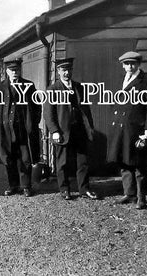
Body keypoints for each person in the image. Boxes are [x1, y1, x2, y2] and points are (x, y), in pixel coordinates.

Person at [107, 51, 147, 209]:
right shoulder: (120, 80)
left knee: (139, 164)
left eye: (132, 63)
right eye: (126, 64)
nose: (129, 66)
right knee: (124, 162)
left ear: (138, 64)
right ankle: (129, 193)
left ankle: (141, 197)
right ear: (123, 65)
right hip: (122, 129)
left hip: (138, 130)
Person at [44, 58, 98, 200]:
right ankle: (64, 189)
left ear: (72, 70)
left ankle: (84, 189)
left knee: (83, 162)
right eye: (63, 70)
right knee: (63, 162)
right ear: (58, 72)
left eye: (69, 70)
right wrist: (54, 131)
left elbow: (86, 110)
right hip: (63, 132)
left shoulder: (79, 87)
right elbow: (48, 114)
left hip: (79, 130)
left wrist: (89, 127)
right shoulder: (52, 89)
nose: (66, 73)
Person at [0, 59, 41, 197]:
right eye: (12, 70)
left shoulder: (29, 86)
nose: (15, 73)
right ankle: (13, 185)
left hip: (23, 129)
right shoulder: (0, 87)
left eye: (17, 70)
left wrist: (34, 122)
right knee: (9, 158)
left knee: (25, 157)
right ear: (7, 71)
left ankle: (26, 186)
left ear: (20, 71)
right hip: (6, 129)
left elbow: (37, 105)